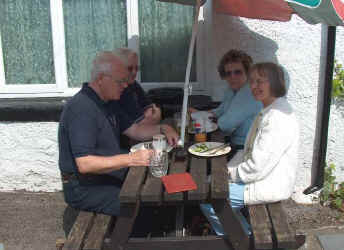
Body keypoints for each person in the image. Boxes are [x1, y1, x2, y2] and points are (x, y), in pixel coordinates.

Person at [58, 51, 179, 216]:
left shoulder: (107, 101)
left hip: (107, 176)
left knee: (162, 187)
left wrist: (164, 128)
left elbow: (135, 130)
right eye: (120, 81)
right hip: (85, 188)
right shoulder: (81, 108)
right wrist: (132, 159)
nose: (126, 85)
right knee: (145, 205)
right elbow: (85, 164)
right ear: (101, 79)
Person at [200, 62, 300, 235]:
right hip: (260, 178)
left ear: (276, 83)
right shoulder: (269, 110)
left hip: (268, 184)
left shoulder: (277, 117)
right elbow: (248, 151)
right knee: (211, 182)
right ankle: (241, 233)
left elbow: (256, 168)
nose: (254, 86)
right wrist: (228, 170)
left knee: (208, 198)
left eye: (261, 81)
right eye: (252, 81)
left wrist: (230, 174)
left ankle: (242, 239)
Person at [190, 49, 262, 159]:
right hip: (233, 142)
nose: (232, 77)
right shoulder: (232, 89)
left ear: (247, 72)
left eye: (237, 72)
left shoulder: (248, 93)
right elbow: (221, 110)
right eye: (228, 73)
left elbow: (226, 124)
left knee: (201, 158)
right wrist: (197, 114)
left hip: (245, 149)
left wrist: (203, 118)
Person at [114, 48, 161, 125]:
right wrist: (156, 114)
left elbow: (152, 107)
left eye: (136, 68)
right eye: (130, 68)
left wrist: (153, 114)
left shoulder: (133, 83)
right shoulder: (120, 91)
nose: (134, 72)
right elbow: (141, 126)